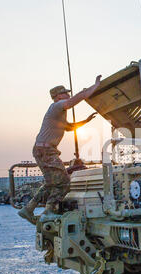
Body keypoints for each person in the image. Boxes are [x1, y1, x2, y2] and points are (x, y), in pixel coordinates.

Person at [18, 75, 101, 225]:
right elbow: (73, 101)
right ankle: (49, 211)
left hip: (42, 150)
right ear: (57, 97)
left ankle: (28, 209)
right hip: (46, 151)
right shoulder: (57, 106)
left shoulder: (58, 113)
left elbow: (69, 127)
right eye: (65, 93)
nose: (68, 94)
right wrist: (94, 87)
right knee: (64, 183)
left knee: (51, 183)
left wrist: (85, 121)